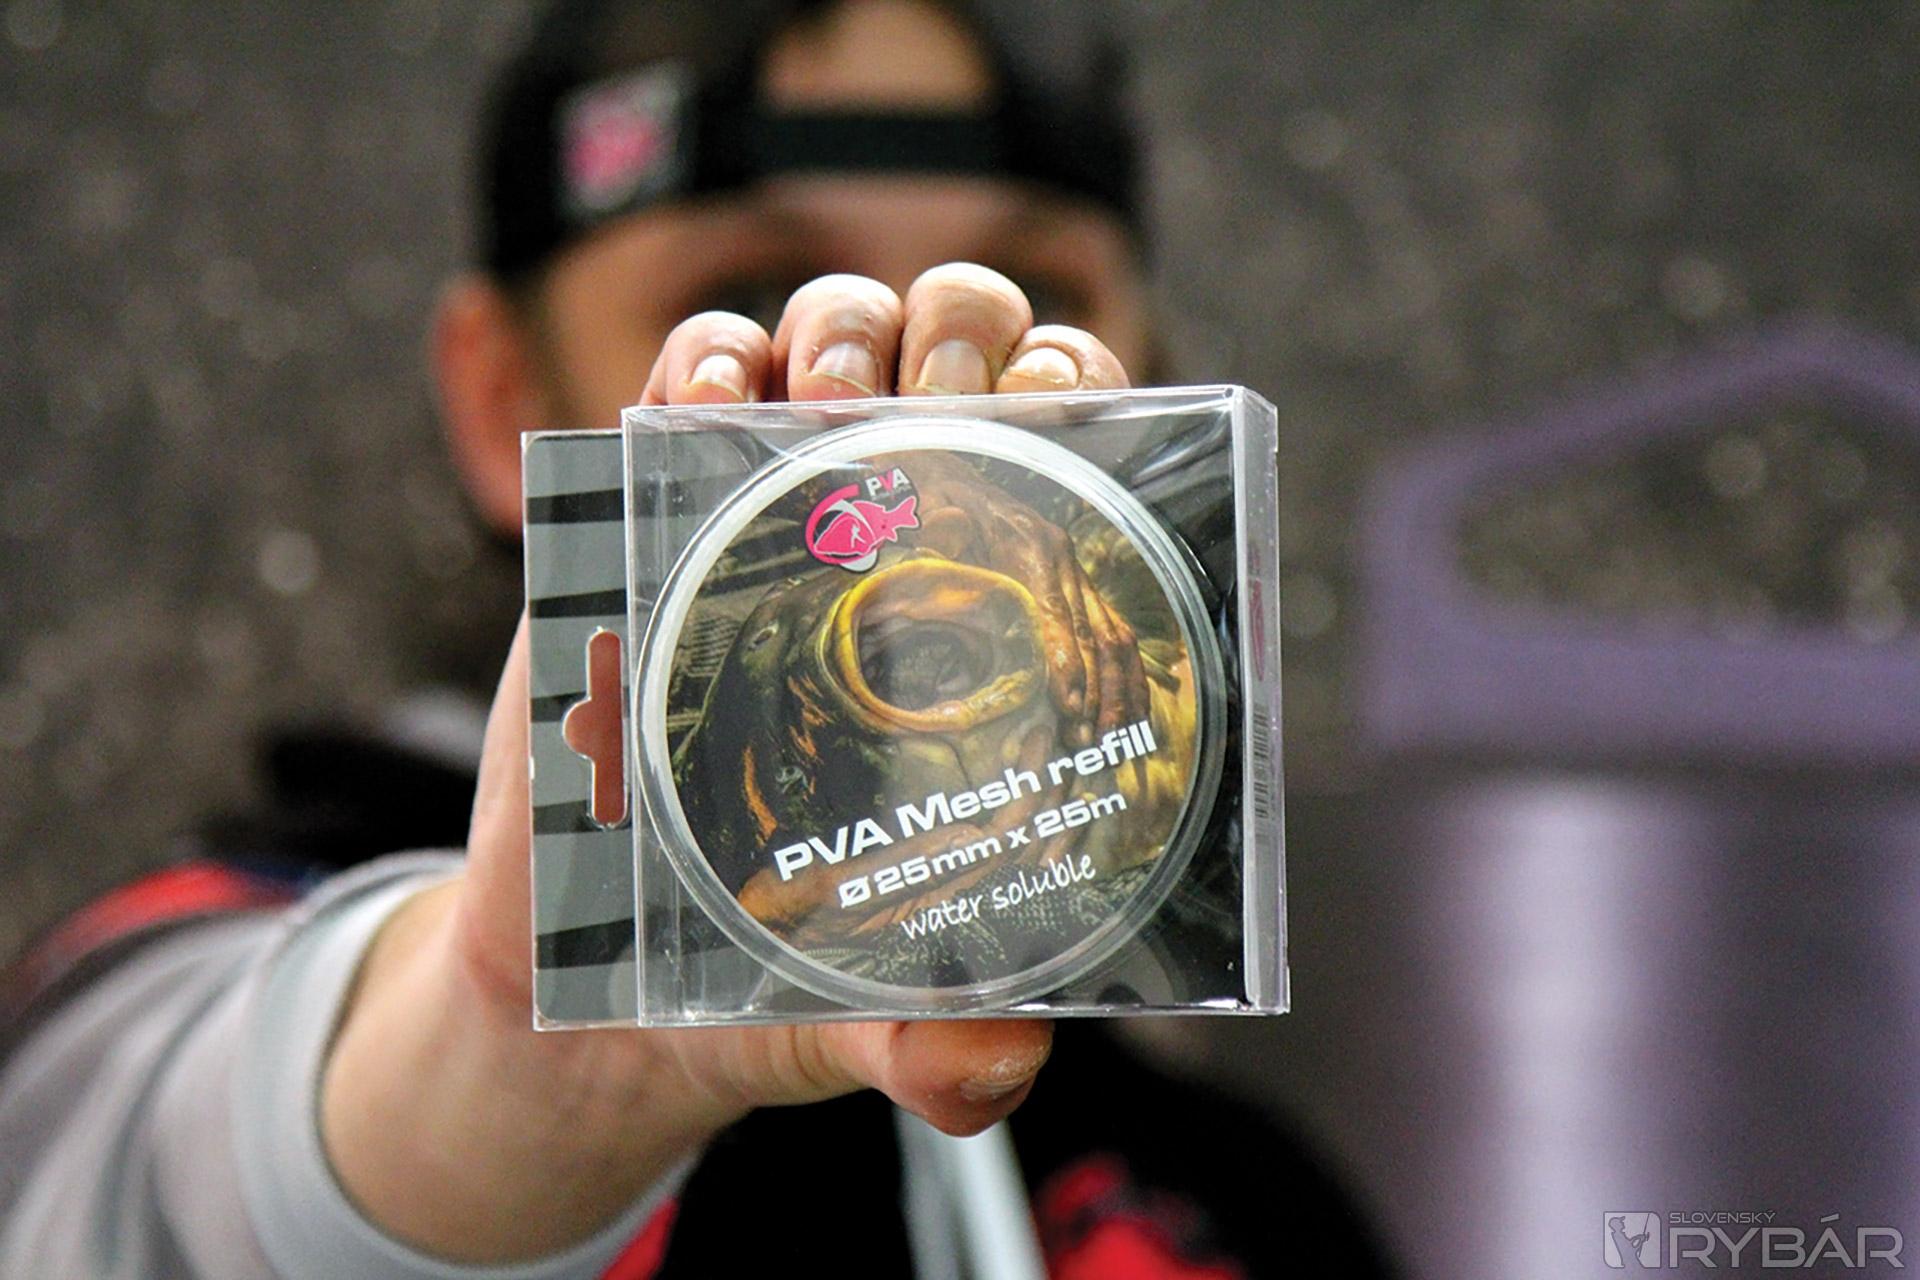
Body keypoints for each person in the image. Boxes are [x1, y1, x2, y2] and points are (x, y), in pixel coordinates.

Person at [0, 1, 1395, 1276]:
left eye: (1038, 289)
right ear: (503, 397)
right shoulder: (194, 970)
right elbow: (133, 1192)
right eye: (754, 294)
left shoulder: (1228, 1206)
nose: (908, 405)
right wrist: (516, 1048)